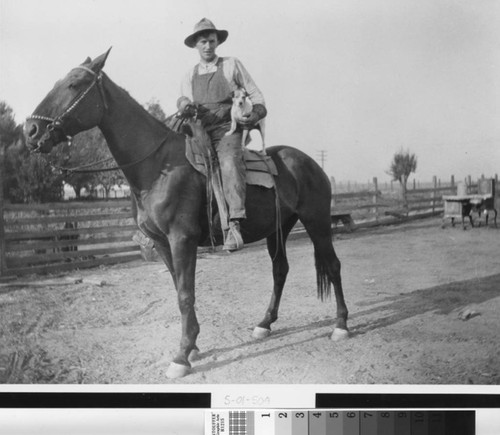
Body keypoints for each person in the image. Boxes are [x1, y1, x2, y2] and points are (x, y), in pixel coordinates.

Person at [177, 18, 267, 251]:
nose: (208, 46)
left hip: (228, 129)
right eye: (203, 42)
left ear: (217, 42)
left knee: (228, 162)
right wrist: (185, 104)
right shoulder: (189, 75)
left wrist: (254, 114)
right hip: (200, 132)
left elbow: (257, 97)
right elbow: (184, 99)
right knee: (177, 163)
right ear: (196, 45)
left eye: (211, 41)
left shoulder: (231, 65)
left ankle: (235, 225)